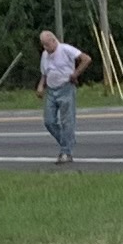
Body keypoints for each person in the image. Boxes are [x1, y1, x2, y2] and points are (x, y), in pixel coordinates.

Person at [37, 26, 89, 160]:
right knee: (49, 121)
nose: (46, 48)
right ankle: (68, 142)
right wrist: (41, 86)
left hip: (65, 87)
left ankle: (66, 152)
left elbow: (86, 59)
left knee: (67, 121)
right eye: (43, 45)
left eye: (47, 44)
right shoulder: (45, 55)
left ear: (54, 41)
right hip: (51, 90)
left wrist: (75, 74)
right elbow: (44, 73)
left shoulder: (65, 49)